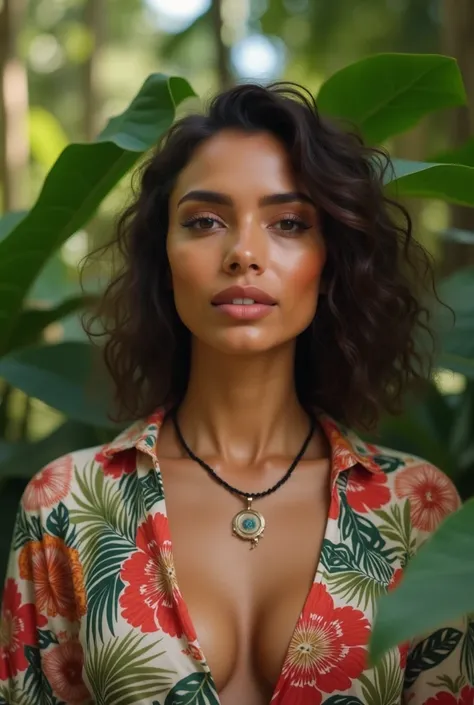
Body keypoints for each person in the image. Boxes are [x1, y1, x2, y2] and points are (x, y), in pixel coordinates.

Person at [0, 82, 470, 705]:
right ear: (163, 255)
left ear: (331, 259)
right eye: (204, 221)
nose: (244, 253)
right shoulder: (68, 505)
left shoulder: (415, 508)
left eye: (289, 223)